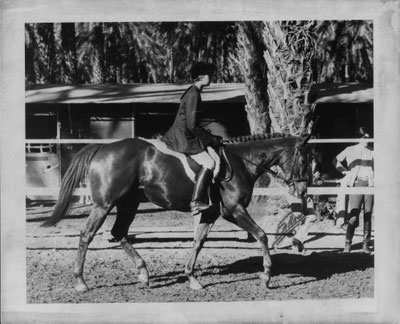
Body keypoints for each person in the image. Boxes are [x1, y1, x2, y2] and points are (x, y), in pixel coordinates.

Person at [162, 62, 222, 215]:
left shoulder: (192, 91)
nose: (212, 77)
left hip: (182, 133)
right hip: (184, 137)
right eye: (209, 74)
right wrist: (210, 139)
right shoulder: (194, 93)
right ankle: (196, 202)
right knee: (210, 162)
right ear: (201, 77)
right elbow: (192, 125)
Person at [332, 126, 374, 253]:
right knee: (354, 215)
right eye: (365, 137)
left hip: (370, 185)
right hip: (356, 184)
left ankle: (365, 245)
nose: (367, 139)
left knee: (368, 214)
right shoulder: (350, 150)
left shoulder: (373, 151)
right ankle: (348, 244)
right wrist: (344, 171)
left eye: (369, 137)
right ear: (359, 138)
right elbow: (335, 160)